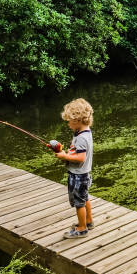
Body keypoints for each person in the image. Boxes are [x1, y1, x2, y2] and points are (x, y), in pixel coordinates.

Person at [55, 98, 94, 239]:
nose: (68, 124)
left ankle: (82, 229)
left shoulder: (81, 138)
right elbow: (79, 153)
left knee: (79, 203)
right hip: (84, 174)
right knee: (85, 198)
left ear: (77, 120)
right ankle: (88, 221)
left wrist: (65, 156)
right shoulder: (85, 133)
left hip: (78, 176)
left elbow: (80, 158)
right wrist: (69, 151)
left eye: (69, 121)